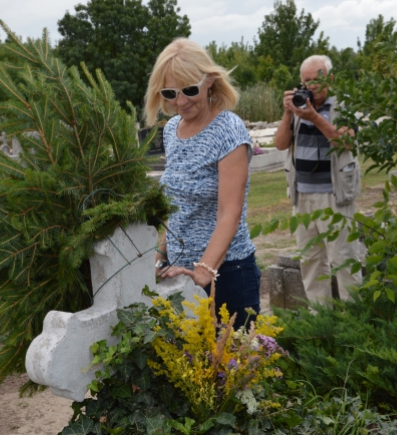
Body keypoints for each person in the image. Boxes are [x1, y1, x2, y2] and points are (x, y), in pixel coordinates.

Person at [146, 38, 260, 330]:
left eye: (190, 90)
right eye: (170, 93)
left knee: (231, 370)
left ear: (209, 81)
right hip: (180, 274)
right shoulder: (172, 130)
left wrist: (205, 270)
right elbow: (178, 207)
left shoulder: (228, 130)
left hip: (227, 274)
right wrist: (160, 254)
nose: (180, 102)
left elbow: (230, 213)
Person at [274, 55, 362, 304]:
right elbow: (281, 144)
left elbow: (344, 142)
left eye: (317, 80)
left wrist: (314, 117)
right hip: (302, 195)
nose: (311, 86)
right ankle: (320, 319)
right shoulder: (298, 107)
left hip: (334, 195)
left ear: (330, 79)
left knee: (344, 259)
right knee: (311, 260)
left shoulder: (344, 107)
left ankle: (354, 320)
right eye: (306, 81)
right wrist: (287, 113)